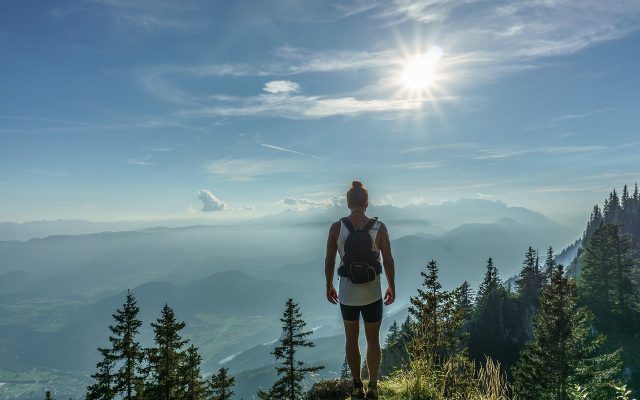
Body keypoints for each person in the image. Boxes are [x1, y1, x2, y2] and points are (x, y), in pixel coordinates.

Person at [325, 180, 396, 400]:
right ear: (366, 202)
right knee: (373, 340)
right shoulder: (379, 227)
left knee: (351, 339)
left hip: (348, 293)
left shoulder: (337, 227)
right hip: (372, 293)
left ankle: (357, 387)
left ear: (348, 203)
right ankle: (373, 387)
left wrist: (328, 285)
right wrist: (392, 285)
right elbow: (388, 260)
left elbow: (329, 259)